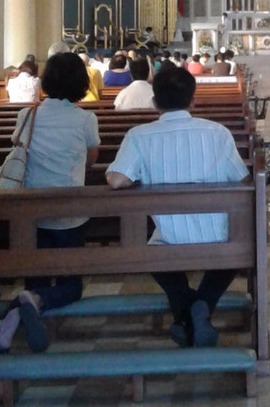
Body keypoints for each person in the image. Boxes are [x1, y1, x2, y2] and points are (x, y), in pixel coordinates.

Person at [106, 67, 249, 348]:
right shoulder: (217, 133)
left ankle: (186, 311)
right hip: (218, 240)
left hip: (169, 240)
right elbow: (243, 179)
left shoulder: (139, 136)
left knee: (153, 253)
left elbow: (116, 180)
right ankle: (202, 306)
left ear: (155, 102)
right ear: (193, 101)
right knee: (233, 250)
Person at [0, 53, 100, 354]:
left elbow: (19, 147)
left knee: (35, 276)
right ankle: (32, 304)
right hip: (69, 214)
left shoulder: (27, 115)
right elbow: (91, 158)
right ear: (81, 82)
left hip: (30, 211)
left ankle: (17, 315)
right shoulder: (86, 118)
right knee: (71, 285)